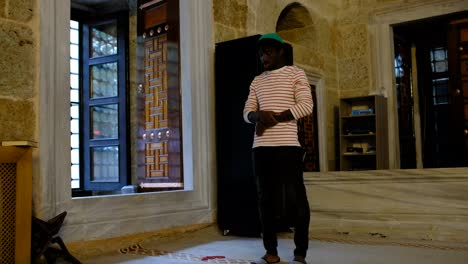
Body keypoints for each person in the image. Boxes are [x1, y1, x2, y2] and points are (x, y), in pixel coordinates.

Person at [243, 33, 313, 264]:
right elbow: (247, 112)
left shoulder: (296, 73)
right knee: (266, 200)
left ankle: (300, 255)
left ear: (281, 51)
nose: (265, 56)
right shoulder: (257, 80)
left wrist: (273, 117)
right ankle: (271, 253)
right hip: (261, 147)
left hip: (288, 147)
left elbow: (306, 106)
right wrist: (257, 115)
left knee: (296, 199)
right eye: (262, 52)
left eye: (269, 51)